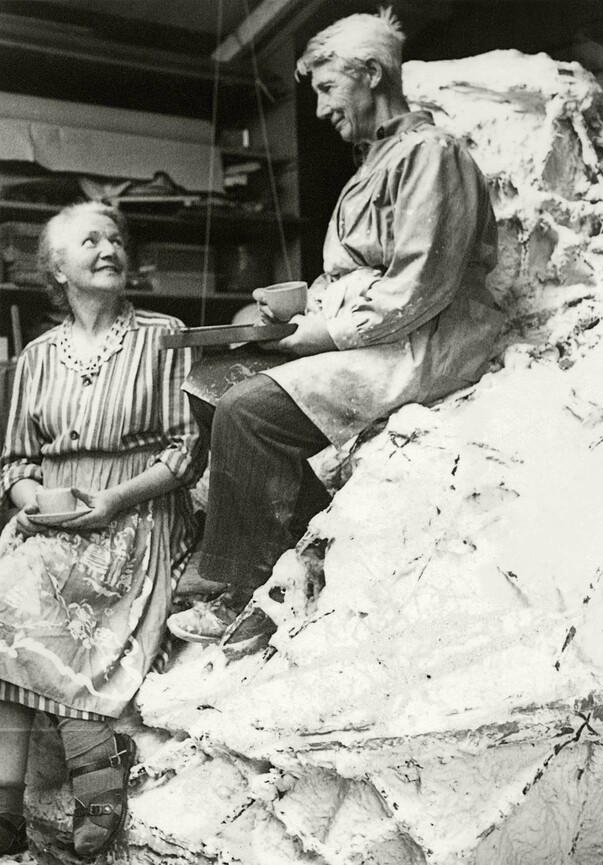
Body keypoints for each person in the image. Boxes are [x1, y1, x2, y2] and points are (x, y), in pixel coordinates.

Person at [167, 8, 503, 654]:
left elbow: (418, 288)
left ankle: (248, 591)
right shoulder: (378, 160)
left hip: (423, 342)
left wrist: (320, 333)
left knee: (249, 410)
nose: (321, 110)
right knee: (208, 383)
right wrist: (295, 314)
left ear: (372, 74)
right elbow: (352, 275)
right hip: (376, 331)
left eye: (327, 89)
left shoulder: (432, 155)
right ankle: (304, 545)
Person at [0, 201, 206, 857]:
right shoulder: (36, 355)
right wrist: (34, 500)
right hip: (57, 515)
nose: (109, 247)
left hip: (136, 509)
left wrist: (112, 499)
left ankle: (98, 780)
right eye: (90, 239)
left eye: (116, 238)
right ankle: (4, 806)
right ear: (56, 266)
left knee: (72, 609)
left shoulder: (165, 334)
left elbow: (184, 450)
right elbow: (14, 461)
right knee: (5, 598)